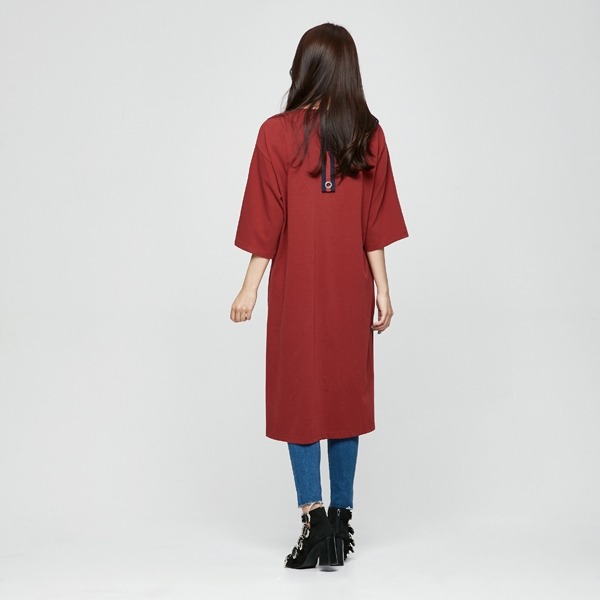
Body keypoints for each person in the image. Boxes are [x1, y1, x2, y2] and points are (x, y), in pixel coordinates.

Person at [230, 22, 409, 569]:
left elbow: (266, 219)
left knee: (302, 397)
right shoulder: (367, 134)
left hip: (297, 294)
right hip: (350, 290)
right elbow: (375, 223)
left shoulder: (276, 133)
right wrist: (382, 289)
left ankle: (315, 524)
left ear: (304, 69)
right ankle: (341, 522)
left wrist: (249, 287)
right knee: (345, 398)